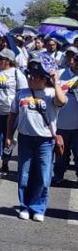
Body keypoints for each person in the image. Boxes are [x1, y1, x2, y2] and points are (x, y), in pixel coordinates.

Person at [6, 60, 66, 221]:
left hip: (45, 142)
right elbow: (12, 115)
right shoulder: (22, 93)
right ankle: (24, 206)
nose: (30, 79)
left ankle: (38, 207)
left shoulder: (51, 93)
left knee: (43, 175)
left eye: (35, 77)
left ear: (43, 79)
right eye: (29, 76)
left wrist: (56, 81)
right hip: (25, 139)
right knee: (24, 174)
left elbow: (62, 101)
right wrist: (9, 135)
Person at [0, 49, 27, 176]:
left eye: (2, 59)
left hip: (11, 112)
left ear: (9, 60)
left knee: (8, 138)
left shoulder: (16, 74)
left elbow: (23, 92)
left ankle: (5, 163)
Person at [54, 53, 78, 185]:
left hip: (77, 125)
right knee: (60, 154)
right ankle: (58, 175)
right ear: (72, 61)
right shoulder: (60, 73)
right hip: (60, 123)